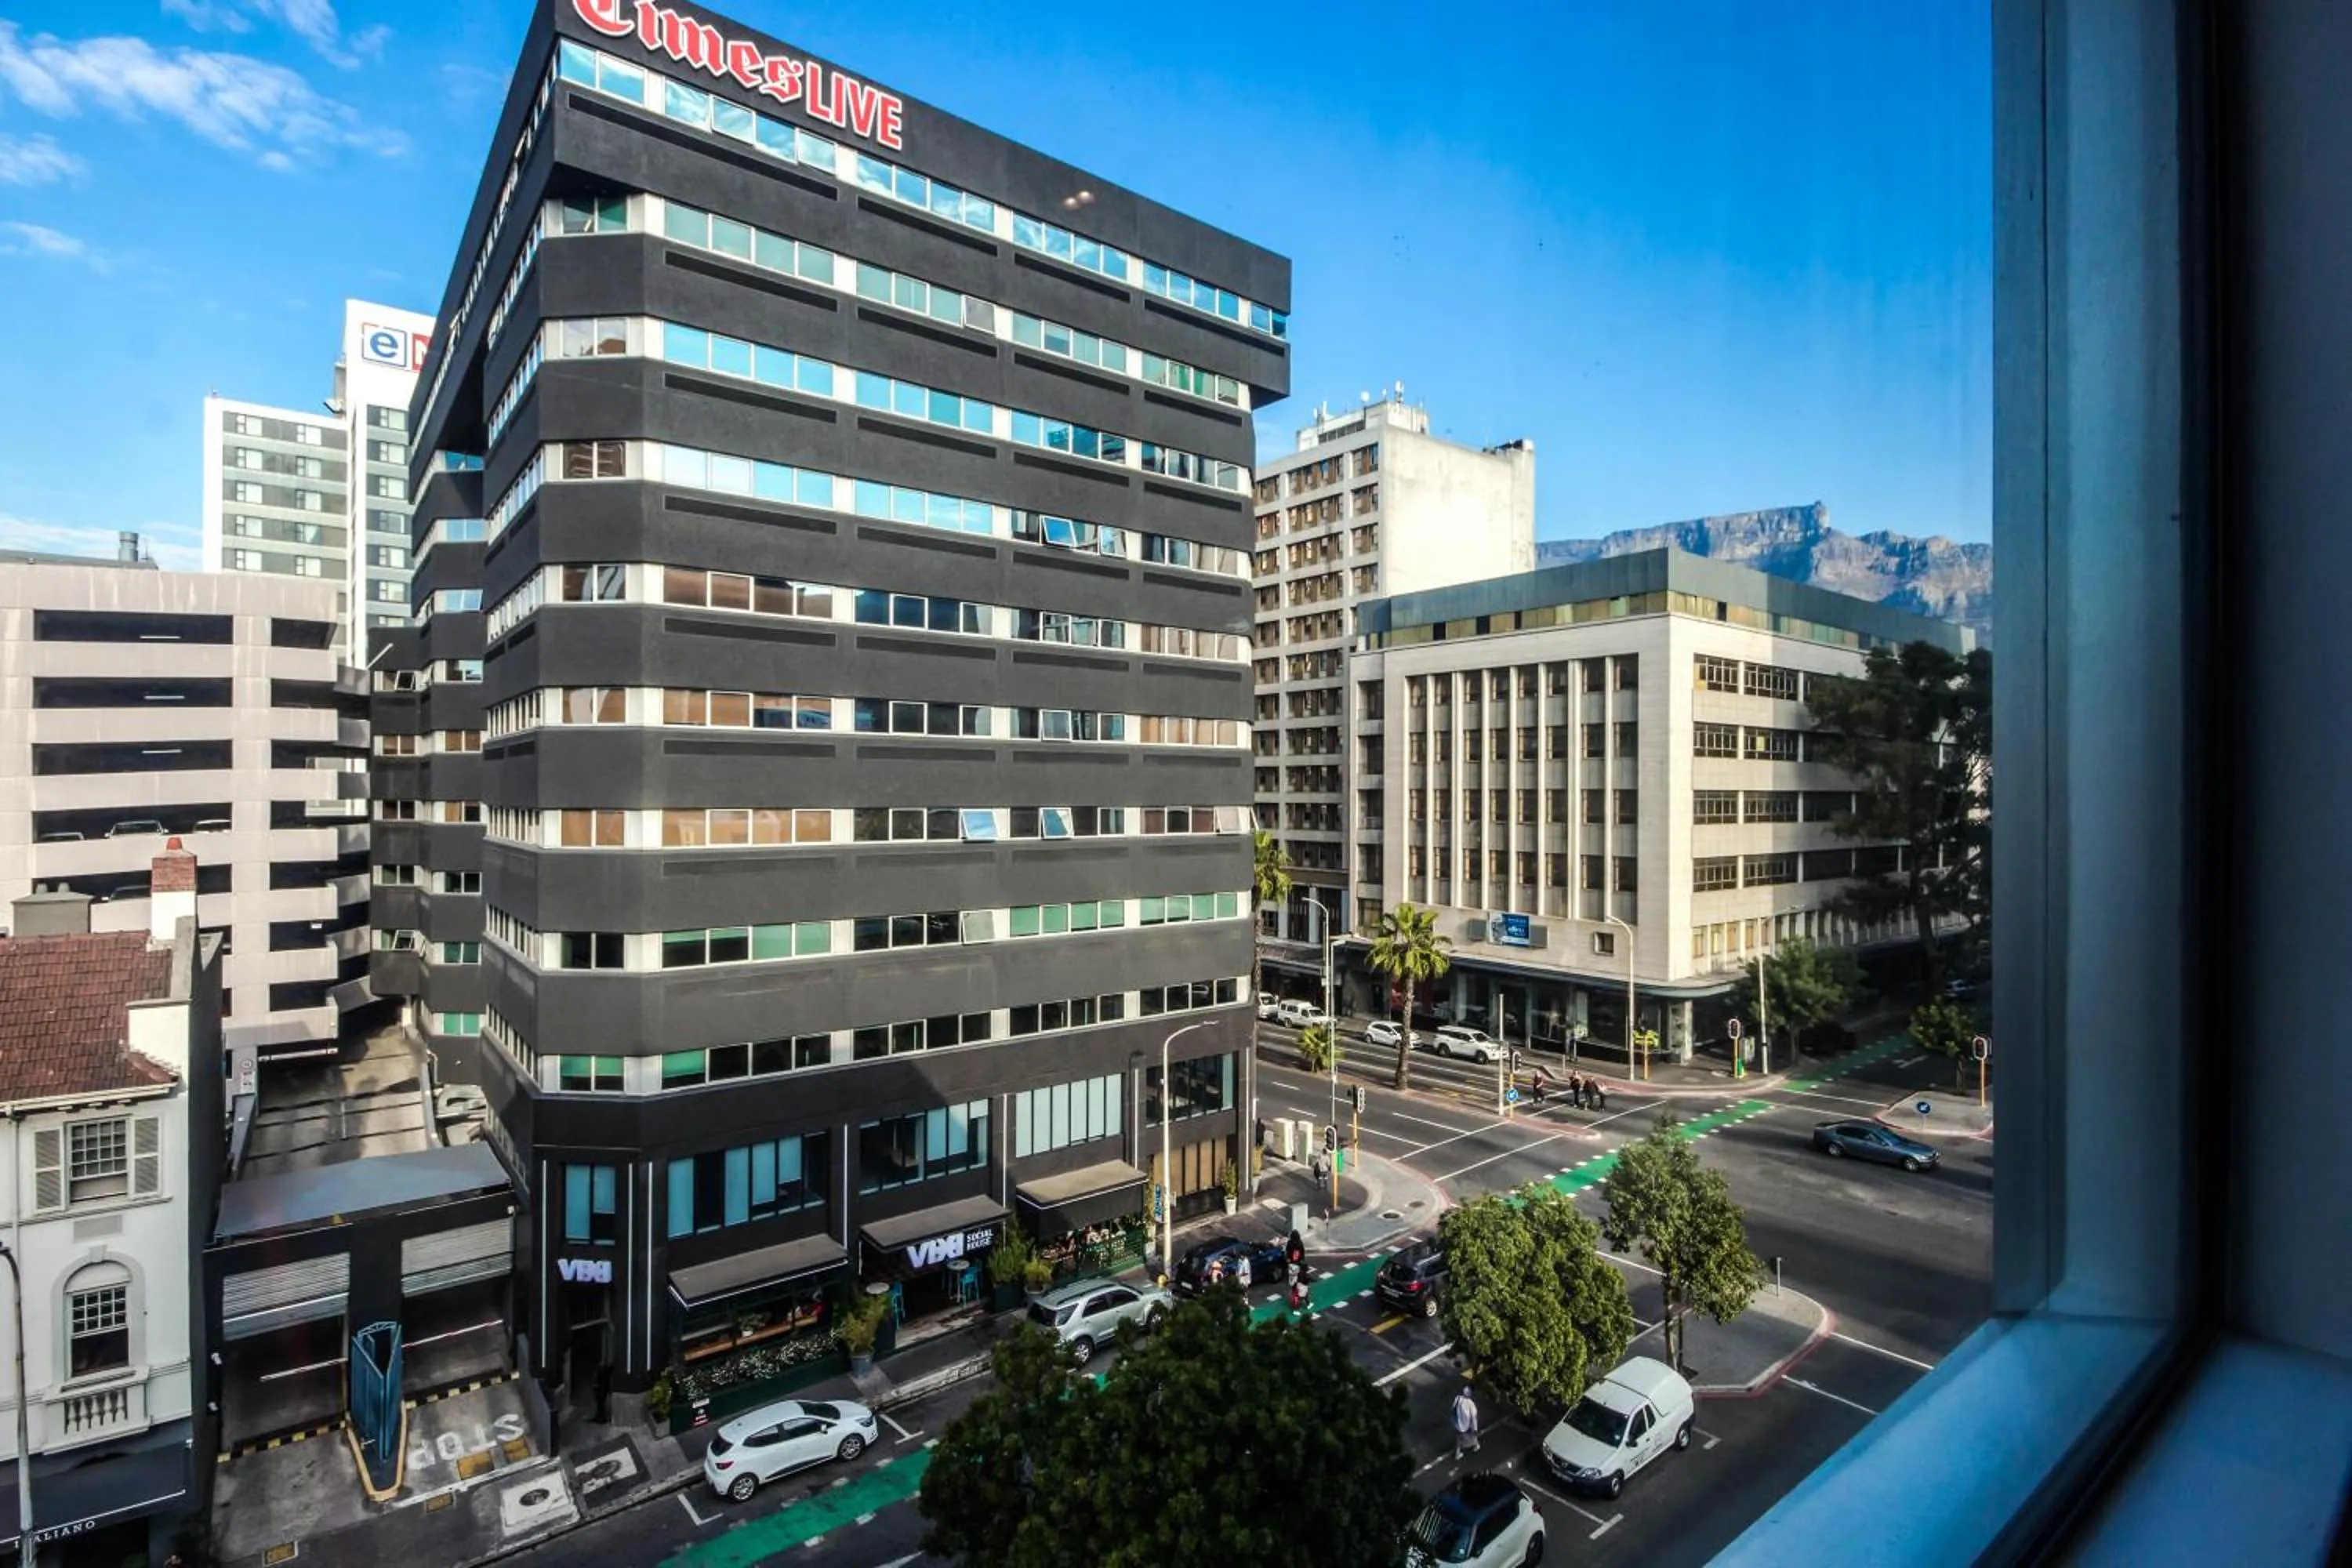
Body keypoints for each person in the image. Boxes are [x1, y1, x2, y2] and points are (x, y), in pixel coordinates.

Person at [1452, 1384, 1480, 1459]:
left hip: (1458, 1424)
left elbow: (1453, 1409)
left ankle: (1458, 1453)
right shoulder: (1471, 1404)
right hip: (1466, 1426)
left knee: (1459, 1438)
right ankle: (1475, 1445)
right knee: (1471, 1437)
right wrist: (1475, 1429)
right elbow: (1474, 1418)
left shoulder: (1458, 1398)